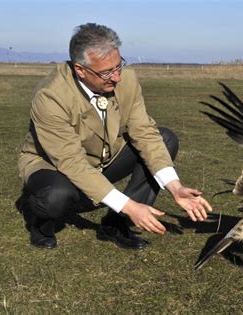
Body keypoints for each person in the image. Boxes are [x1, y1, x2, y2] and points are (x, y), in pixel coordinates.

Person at [16, 23, 212, 249]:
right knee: (56, 197)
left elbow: (144, 133)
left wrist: (176, 188)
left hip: (103, 158)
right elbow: (70, 162)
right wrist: (128, 204)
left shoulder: (126, 80)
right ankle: (39, 221)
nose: (117, 77)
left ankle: (115, 223)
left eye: (118, 66)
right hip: (54, 165)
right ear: (80, 70)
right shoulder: (50, 97)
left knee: (165, 138)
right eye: (107, 72)